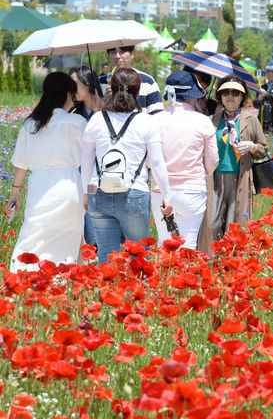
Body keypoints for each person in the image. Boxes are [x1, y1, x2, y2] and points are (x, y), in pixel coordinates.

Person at [81, 68, 173, 263]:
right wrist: (167, 195)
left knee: (106, 257)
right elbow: (157, 163)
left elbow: (86, 163)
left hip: (99, 192)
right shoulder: (147, 122)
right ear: (138, 93)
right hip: (134, 192)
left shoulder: (96, 119)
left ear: (111, 90)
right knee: (138, 257)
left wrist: (87, 192)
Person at [9, 72, 87, 272]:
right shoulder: (77, 123)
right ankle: (62, 282)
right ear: (68, 95)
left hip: (40, 187)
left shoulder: (31, 125)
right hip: (70, 187)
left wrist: (15, 192)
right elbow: (90, 158)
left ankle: (22, 279)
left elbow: (20, 164)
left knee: (32, 237)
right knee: (67, 243)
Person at [151, 70, 219, 250]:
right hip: (192, 191)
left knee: (164, 243)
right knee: (188, 245)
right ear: (192, 96)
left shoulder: (154, 120)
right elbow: (213, 161)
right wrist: (199, 173)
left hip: (161, 190)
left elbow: (150, 162)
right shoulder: (203, 121)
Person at [206, 75, 268, 241]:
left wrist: (252, 147)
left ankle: (233, 256)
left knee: (235, 225)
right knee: (213, 224)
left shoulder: (251, 120)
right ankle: (214, 255)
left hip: (240, 178)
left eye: (235, 93)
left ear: (242, 96)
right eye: (225, 93)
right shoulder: (212, 120)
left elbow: (263, 149)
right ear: (220, 96)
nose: (230, 97)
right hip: (215, 179)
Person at [70, 66, 104, 250]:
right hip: (80, 176)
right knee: (85, 225)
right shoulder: (72, 114)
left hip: (103, 175)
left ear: (88, 84)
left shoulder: (107, 111)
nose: (71, 88)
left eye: (74, 84)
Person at [98, 45, 164, 115]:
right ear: (108, 55)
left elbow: (157, 115)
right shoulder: (101, 81)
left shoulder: (147, 81)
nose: (117, 56)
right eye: (113, 52)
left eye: (122, 51)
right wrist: (106, 100)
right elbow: (95, 113)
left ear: (132, 54)